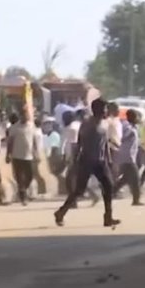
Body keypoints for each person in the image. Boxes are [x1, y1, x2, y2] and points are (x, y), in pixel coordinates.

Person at [54, 98, 119, 228]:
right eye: (105, 108)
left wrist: (109, 160)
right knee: (79, 190)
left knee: (108, 186)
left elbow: (105, 143)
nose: (107, 111)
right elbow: (80, 143)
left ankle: (108, 217)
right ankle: (61, 212)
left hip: (100, 161)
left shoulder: (104, 124)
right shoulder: (88, 124)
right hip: (87, 160)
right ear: (99, 110)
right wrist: (77, 160)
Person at [6, 110, 38, 206]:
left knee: (30, 176)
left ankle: (23, 190)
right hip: (17, 156)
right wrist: (8, 154)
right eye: (23, 115)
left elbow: (34, 140)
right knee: (20, 177)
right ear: (21, 116)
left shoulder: (32, 126)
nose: (25, 117)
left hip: (29, 156)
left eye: (27, 115)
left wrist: (36, 153)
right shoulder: (14, 128)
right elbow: (10, 142)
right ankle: (23, 196)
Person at [113, 109, 142, 206]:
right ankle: (136, 200)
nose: (138, 119)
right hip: (127, 157)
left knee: (125, 179)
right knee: (135, 179)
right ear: (132, 117)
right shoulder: (127, 127)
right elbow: (122, 138)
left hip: (129, 156)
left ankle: (110, 192)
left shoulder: (133, 127)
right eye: (137, 116)